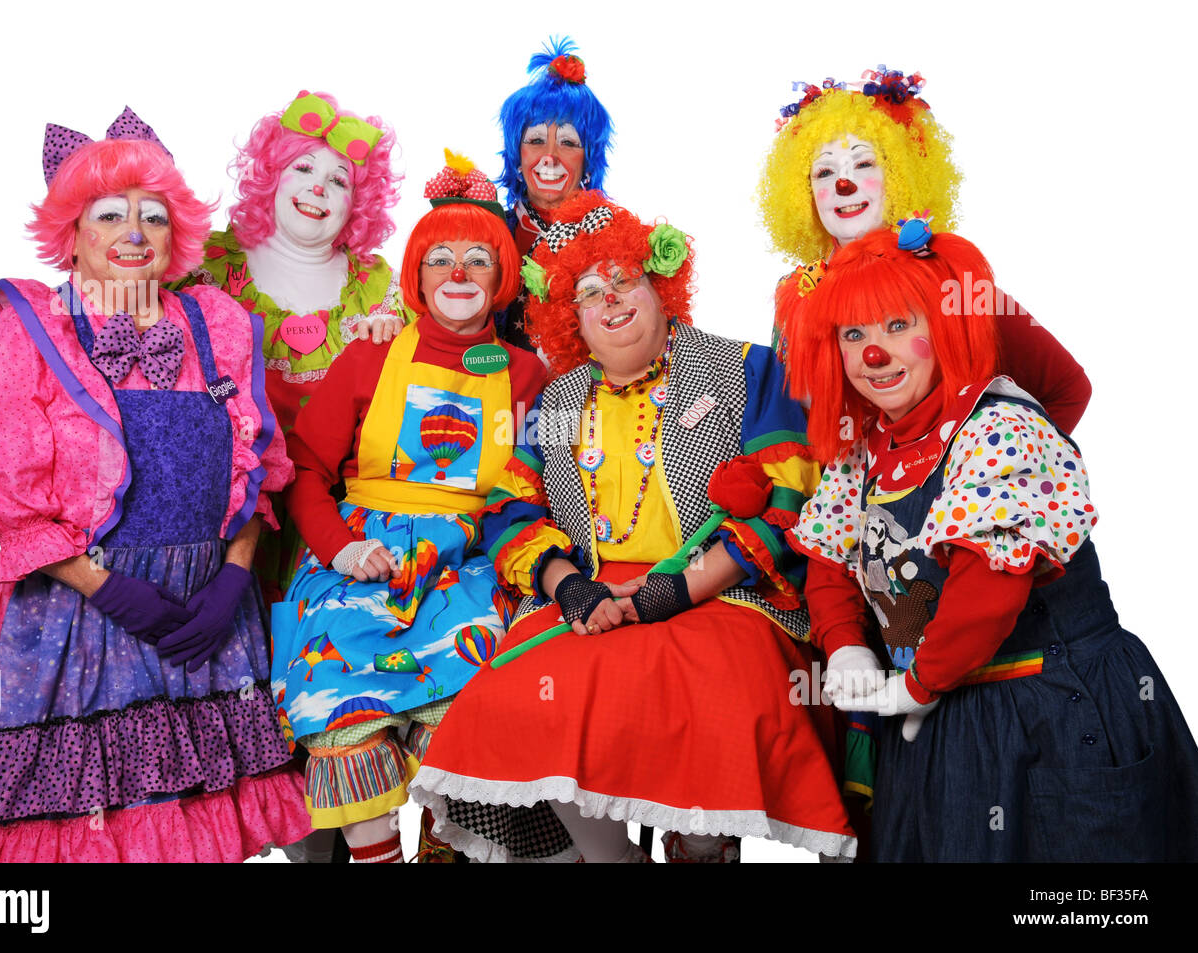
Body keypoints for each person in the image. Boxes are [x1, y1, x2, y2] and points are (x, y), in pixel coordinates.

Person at [0, 109, 309, 861]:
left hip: (204, 626)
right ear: (74, 230)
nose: (133, 231)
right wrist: (110, 589)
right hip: (73, 624)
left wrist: (235, 578)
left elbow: (259, 475)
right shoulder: (31, 331)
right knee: (73, 836)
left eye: (153, 215)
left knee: (194, 827)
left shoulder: (217, 324)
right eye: (110, 212)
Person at [410, 192, 857, 862]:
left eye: (625, 279)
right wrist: (567, 587)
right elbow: (511, 505)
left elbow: (789, 495)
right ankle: (612, 857)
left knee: (719, 702)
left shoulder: (742, 367)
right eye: (590, 291)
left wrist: (680, 591)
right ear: (572, 321)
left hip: (722, 590)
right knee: (518, 700)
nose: (612, 298)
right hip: (590, 600)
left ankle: (703, 846)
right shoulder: (560, 400)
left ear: (659, 288)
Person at [784, 224, 1198, 861]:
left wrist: (917, 686)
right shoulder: (864, 447)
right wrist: (845, 650)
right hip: (934, 727)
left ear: (944, 328)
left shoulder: (1000, 426)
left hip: (1051, 714)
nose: (875, 353)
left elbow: (989, 590)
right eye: (855, 335)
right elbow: (829, 554)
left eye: (898, 325)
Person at [269, 154, 546, 863]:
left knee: (482, 710)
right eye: (441, 258)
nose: (458, 274)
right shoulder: (367, 359)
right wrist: (340, 548)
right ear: (417, 276)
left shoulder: (529, 373)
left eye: (479, 259)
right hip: (360, 557)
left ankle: (447, 848)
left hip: (470, 560)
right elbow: (301, 466)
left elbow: (542, 477)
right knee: (338, 696)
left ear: (502, 278)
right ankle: (375, 852)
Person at [759, 68, 1091, 434]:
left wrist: (1007, 472)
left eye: (864, 163)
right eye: (824, 173)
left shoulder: (950, 276)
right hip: (835, 491)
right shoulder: (797, 292)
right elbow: (787, 417)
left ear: (902, 173)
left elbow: (1067, 388)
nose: (843, 183)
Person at [175, 91, 406, 608]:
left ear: (357, 203)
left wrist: (396, 346)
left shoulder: (381, 286)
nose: (318, 188)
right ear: (271, 176)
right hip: (222, 516)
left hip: (345, 522)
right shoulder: (205, 265)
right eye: (303, 167)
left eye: (339, 179)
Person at [494, 36, 614, 352]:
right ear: (517, 160)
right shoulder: (490, 233)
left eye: (568, 143)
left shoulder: (613, 235)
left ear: (588, 163)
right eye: (535, 141)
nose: (550, 157)